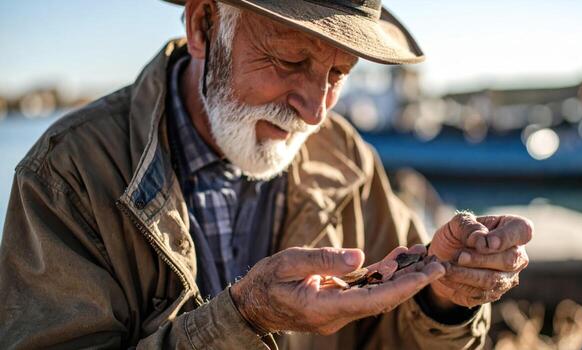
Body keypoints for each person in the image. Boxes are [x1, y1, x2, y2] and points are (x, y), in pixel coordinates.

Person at [0, 0, 532, 348]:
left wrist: (442, 297)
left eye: (338, 74)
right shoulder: (67, 174)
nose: (315, 110)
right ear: (204, 25)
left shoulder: (344, 155)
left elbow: (391, 336)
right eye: (289, 61)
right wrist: (244, 315)